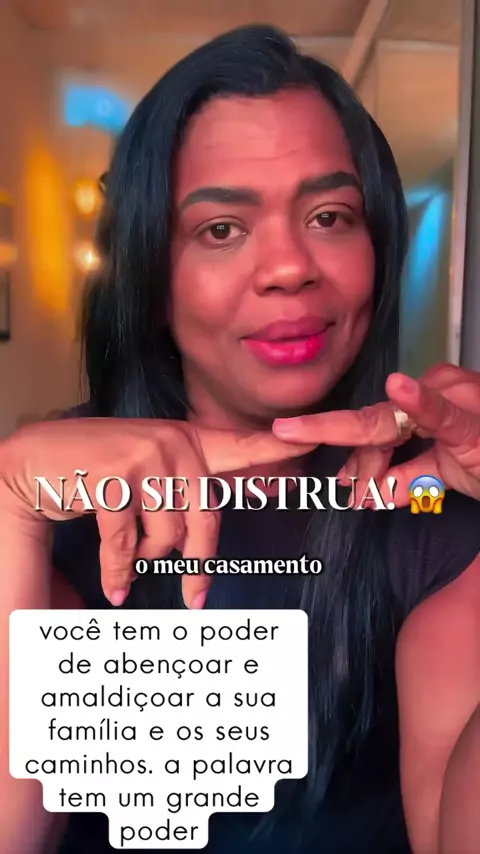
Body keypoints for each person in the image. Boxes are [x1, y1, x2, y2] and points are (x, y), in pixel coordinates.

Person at [1, 23, 479, 854]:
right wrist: (9, 514)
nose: (290, 268)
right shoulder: (59, 512)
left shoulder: (432, 510)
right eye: (221, 229)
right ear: (151, 276)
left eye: (330, 215)